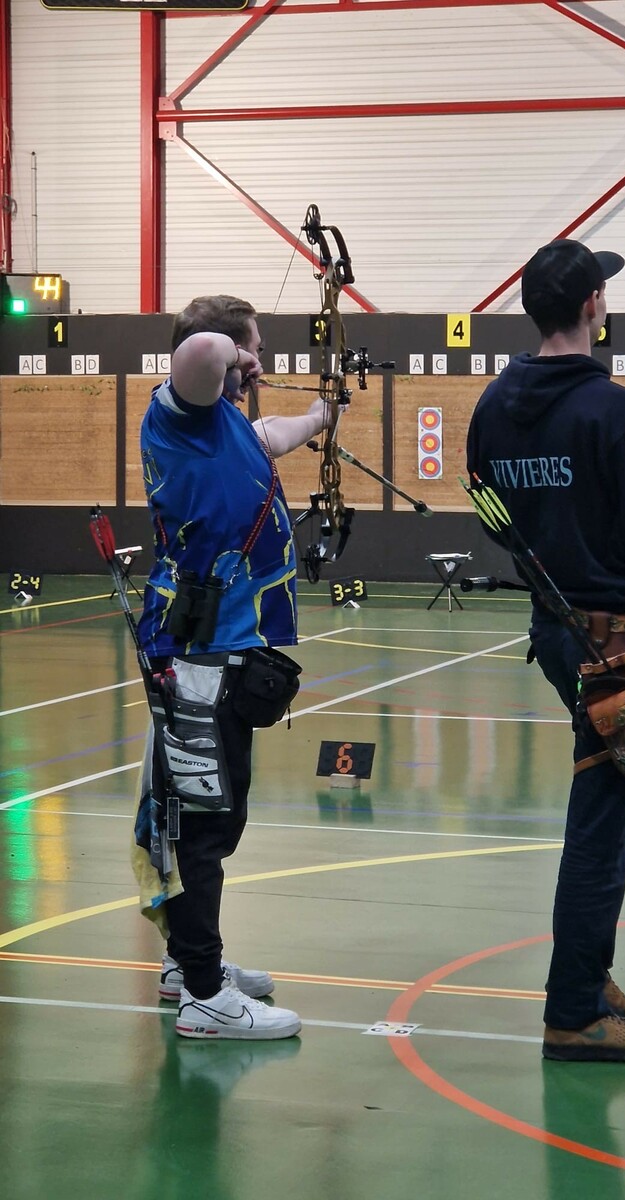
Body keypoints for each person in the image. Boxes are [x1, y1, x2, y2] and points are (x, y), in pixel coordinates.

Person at [466, 238, 625, 1062]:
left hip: (557, 632)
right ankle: (574, 1009)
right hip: (616, 646)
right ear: (593, 304)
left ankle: (589, 976)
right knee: (601, 819)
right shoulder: (615, 414)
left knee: (608, 806)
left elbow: (491, 509)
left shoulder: (492, 407)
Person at [136, 294, 334, 1041]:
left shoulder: (221, 424)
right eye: (253, 348)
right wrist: (232, 351)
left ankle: (187, 963)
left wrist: (319, 416)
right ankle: (205, 995)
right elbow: (197, 351)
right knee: (202, 821)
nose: (259, 364)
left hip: (222, 651)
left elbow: (269, 435)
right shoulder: (179, 409)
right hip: (198, 656)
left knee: (211, 811)